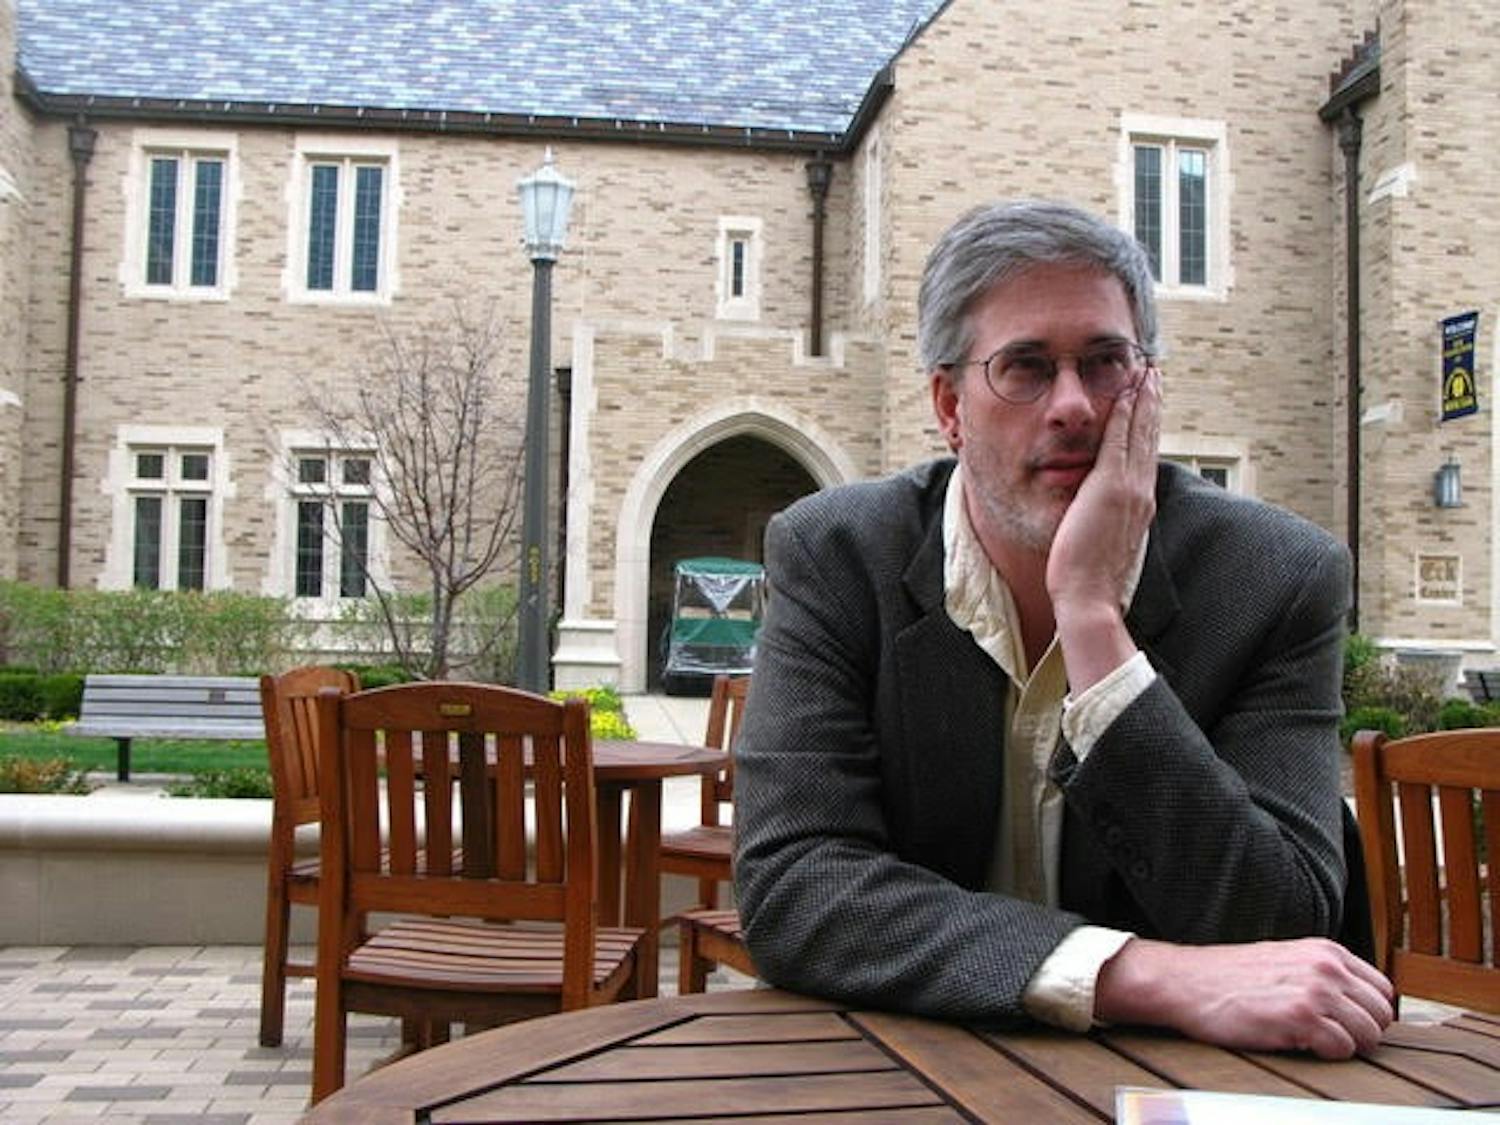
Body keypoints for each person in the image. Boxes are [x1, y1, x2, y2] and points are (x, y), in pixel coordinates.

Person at [732, 199, 1393, 1060]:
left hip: (1184, 1082)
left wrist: (1092, 618)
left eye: (1106, 361)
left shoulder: (1274, 577)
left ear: (1147, 383)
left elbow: (1281, 918)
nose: (1075, 405)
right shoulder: (838, 555)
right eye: (1027, 367)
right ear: (950, 405)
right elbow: (796, 885)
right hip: (910, 1058)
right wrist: (1134, 972)